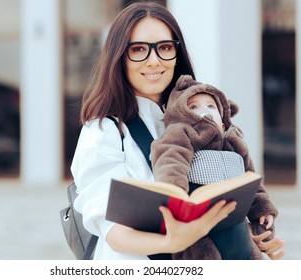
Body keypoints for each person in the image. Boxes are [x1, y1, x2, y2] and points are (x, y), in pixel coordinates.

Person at [71, 1, 285, 260]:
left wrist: (244, 239)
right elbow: (113, 232)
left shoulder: (198, 120)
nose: (154, 61)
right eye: (138, 49)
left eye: (164, 48)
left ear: (177, 54)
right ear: (119, 57)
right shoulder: (104, 131)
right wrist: (173, 240)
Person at [151, 75, 279, 259]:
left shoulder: (235, 143)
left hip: (236, 225)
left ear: (224, 120)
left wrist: (263, 210)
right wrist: (175, 193)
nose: (205, 111)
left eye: (211, 106)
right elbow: (171, 160)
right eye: (193, 107)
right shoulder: (182, 133)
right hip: (198, 227)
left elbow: (252, 181)